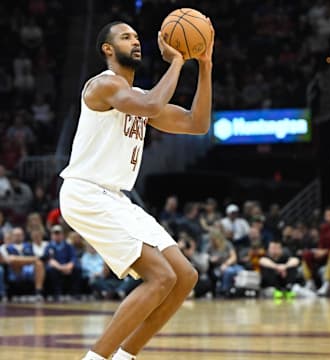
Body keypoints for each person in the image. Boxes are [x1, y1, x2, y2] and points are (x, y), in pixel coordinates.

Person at [59, 19, 214, 360]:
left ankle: (124, 356)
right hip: (85, 192)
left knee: (185, 276)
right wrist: (176, 62)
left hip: (116, 197)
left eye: (137, 36)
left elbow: (197, 123)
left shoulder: (142, 97)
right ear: (108, 49)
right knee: (159, 277)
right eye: (126, 37)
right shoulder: (102, 86)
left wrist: (204, 64)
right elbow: (149, 108)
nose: (136, 41)